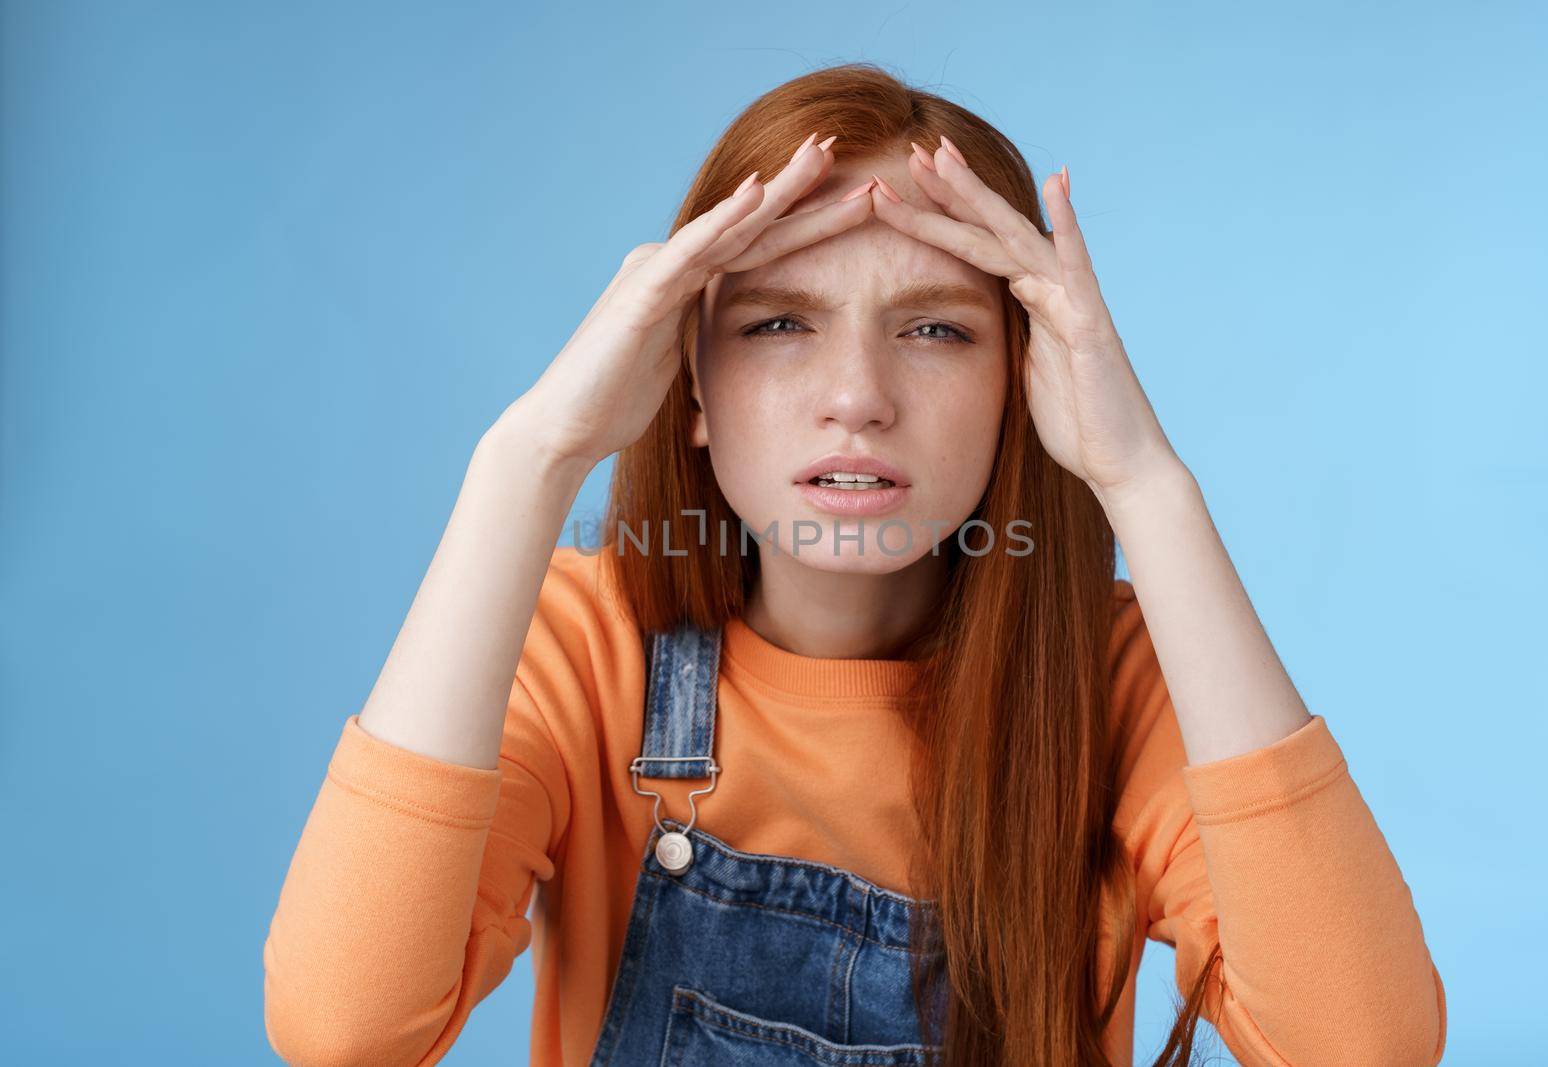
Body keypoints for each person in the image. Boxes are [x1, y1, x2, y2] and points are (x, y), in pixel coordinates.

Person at [262, 63, 1447, 1067]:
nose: (857, 399)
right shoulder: (585, 646)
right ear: (688, 387)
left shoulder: (1118, 685)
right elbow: (343, 1027)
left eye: (935, 328)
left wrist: (1143, 481)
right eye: (778, 323)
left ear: (1024, 386)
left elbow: (1364, 1044)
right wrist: (526, 457)